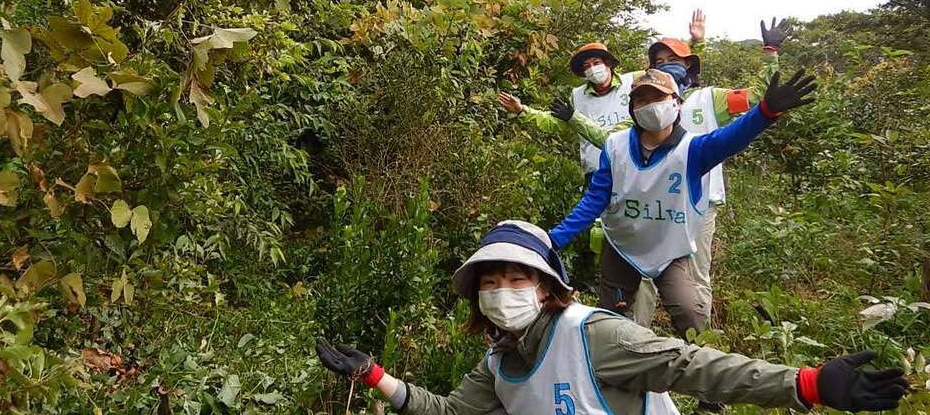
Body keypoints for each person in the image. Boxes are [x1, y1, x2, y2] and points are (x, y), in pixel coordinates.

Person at [315, 220, 909, 414]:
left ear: (548, 287)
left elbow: (693, 365)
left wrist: (807, 384)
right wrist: (374, 376)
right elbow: (451, 412)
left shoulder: (593, 334)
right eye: (489, 284)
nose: (501, 292)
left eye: (517, 278)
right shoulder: (502, 356)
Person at [552, 17, 792, 329]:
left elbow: (757, 101)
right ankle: (637, 340)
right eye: (658, 61)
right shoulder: (630, 130)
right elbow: (608, 147)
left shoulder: (710, 99)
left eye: (673, 61)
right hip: (644, 207)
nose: (666, 66)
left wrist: (770, 57)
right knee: (637, 286)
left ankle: (698, 349)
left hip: (698, 201)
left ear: (676, 97)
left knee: (693, 280)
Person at [496, 11, 709, 287]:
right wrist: (522, 110)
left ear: (609, 63)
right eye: (586, 65)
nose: (592, 68)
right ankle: (611, 286)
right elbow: (560, 124)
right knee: (602, 231)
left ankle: (651, 283)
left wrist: (696, 44)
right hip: (596, 170)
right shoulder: (578, 96)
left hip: (635, 168)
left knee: (638, 226)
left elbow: (675, 77)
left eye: (597, 62)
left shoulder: (635, 84)